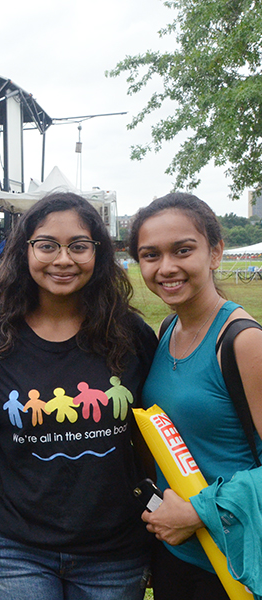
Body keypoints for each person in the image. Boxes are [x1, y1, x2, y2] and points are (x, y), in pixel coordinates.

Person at [0, 192, 158, 600]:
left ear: (98, 252)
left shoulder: (131, 336)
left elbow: (151, 438)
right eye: (47, 245)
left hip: (115, 553)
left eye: (78, 246)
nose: (63, 259)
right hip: (13, 549)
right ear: (25, 251)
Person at [128, 193, 262, 600]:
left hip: (233, 566)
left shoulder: (243, 342)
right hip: (179, 554)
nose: (166, 267)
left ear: (215, 252)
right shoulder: (169, 328)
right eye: (150, 255)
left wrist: (196, 511)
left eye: (182, 250)